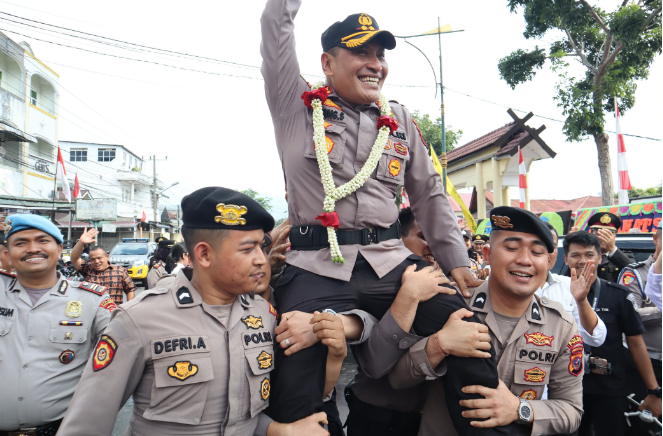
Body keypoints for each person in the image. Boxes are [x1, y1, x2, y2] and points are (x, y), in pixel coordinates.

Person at [261, 3, 490, 429]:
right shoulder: (296, 107)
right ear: (327, 63)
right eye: (361, 53)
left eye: (381, 55)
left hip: (392, 264)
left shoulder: (399, 118)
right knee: (296, 361)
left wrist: (456, 261)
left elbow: (429, 193)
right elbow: (276, 34)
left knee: (470, 334)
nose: (375, 64)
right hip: (316, 268)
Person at [57, 187, 334, 435]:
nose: (262, 259)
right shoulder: (138, 319)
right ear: (203, 255)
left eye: (262, 247)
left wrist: (282, 431)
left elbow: (241, 420)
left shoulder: (263, 314)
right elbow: (86, 424)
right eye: (248, 249)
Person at [388, 207, 585, 435]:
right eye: (511, 248)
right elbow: (396, 380)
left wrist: (519, 409)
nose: (524, 260)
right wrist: (439, 345)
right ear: (488, 254)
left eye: (537, 252)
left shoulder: (561, 326)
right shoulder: (446, 304)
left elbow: (571, 411)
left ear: (549, 261)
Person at [0, 214, 113, 434]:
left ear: (59, 250)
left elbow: (123, 358)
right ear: (7, 254)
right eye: (21, 243)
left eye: (42, 240)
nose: (32, 249)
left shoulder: (92, 300)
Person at [561, 231, 661, 435]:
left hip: (609, 388)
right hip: (565, 387)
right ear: (565, 259)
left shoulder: (618, 295)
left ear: (600, 257)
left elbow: (636, 344)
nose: (583, 261)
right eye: (575, 255)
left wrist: (654, 391)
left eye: (589, 255)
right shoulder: (553, 294)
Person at [619, 221, 662, 434]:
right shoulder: (635, 274)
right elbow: (630, 314)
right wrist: (660, 311)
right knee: (643, 427)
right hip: (645, 365)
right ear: (656, 239)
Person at [537, 222, 607, 347]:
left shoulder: (569, 285)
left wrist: (582, 301)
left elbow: (596, 338)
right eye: (538, 246)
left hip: (563, 365)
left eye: (551, 246)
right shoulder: (506, 285)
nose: (545, 253)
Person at [71, 229, 136, 305]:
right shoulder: (87, 269)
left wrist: (128, 309)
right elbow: (74, 259)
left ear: (107, 257)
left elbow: (130, 290)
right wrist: (81, 242)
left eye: (99, 258)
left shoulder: (120, 270)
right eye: (93, 259)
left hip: (114, 313)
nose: (96, 261)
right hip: (92, 314)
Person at [586, 212, 634, 282]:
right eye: (598, 233)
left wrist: (612, 249)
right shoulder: (584, 254)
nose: (602, 237)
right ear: (591, 235)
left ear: (614, 237)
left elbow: (634, 271)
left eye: (608, 234)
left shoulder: (625, 255)